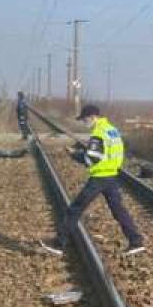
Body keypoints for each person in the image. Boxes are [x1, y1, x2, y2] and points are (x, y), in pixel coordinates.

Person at [40, 104, 144, 257]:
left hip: (100, 177)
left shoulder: (99, 132)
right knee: (118, 210)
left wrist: (74, 154)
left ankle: (59, 244)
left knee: (75, 209)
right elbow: (111, 152)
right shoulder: (112, 130)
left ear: (92, 117)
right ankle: (136, 242)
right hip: (111, 175)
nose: (84, 122)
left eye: (84, 119)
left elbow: (93, 158)